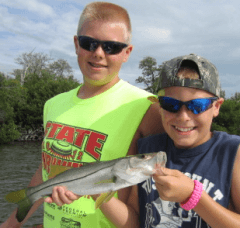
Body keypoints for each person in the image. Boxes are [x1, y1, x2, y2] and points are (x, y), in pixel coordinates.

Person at [0, 2, 163, 228]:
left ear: (127, 52)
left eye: (111, 47)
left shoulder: (148, 106)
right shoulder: (53, 105)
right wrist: (11, 223)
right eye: (89, 43)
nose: (98, 54)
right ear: (77, 44)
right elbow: (47, 169)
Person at [91, 53, 240, 227]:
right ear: (159, 106)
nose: (183, 117)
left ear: (216, 107)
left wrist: (193, 197)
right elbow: (134, 222)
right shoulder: (148, 149)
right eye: (171, 104)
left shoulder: (232, 152)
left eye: (197, 106)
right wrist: (95, 189)